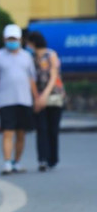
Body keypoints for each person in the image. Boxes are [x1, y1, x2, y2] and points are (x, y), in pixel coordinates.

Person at [0, 24, 38, 175]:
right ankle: (7, 162)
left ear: (20, 40)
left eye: (14, 39)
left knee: (21, 133)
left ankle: (17, 162)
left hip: (24, 100)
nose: (12, 41)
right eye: (9, 39)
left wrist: (36, 98)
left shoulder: (27, 57)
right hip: (6, 100)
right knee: (7, 132)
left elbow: (31, 79)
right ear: (4, 39)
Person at [25, 31, 64, 172]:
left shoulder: (51, 55)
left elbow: (53, 77)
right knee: (41, 129)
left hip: (53, 96)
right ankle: (42, 159)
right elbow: (30, 79)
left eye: (28, 43)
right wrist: (36, 97)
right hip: (37, 98)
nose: (27, 46)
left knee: (53, 129)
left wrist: (44, 96)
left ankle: (52, 159)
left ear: (33, 43)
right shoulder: (30, 58)